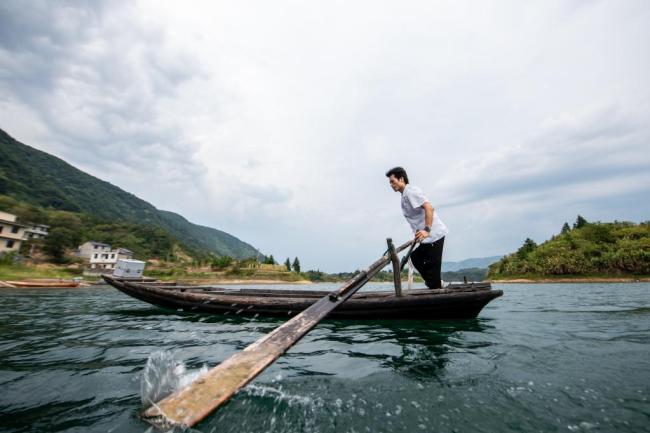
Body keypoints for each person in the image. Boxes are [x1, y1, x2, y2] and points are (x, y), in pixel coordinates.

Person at [386, 167, 448, 289]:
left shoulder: (411, 192)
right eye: (390, 183)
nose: (391, 185)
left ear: (401, 179)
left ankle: (435, 285)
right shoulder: (404, 195)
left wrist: (427, 230)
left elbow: (429, 208)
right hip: (425, 238)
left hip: (434, 235)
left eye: (393, 181)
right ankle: (434, 284)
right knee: (416, 257)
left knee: (431, 269)